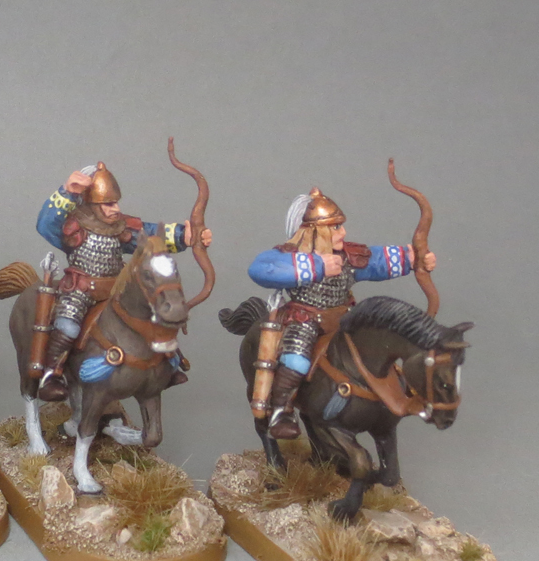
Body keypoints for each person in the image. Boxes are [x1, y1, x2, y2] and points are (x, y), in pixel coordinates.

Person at [247, 187, 437, 439]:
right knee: (296, 359)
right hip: (306, 318)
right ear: (314, 230)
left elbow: (376, 261)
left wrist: (412, 259)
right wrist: (316, 266)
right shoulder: (291, 255)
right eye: (335, 227)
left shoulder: (347, 256)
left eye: (340, 226)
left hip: (347, 317)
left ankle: (399, 392)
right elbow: (262, 269)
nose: (343, 232)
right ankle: (282, 412)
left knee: (378, 345)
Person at [34, 162, 212, 402]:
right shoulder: (74, 227)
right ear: (92, 204)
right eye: (108, 204)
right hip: (82, 289)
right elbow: (45, 225)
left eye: (116, 203)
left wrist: (184, 236)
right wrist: (67, 192)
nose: (115, 208)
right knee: (68, 326)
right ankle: (51, 375)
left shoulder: (120, 227)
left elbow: (151, 234)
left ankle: (167, 365)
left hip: (117, 290)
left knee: (154, 314)